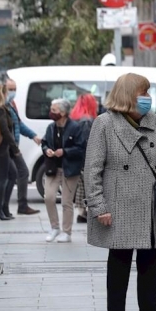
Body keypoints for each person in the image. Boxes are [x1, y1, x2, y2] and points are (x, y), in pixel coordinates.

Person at [84, 72, 156, 311]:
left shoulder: (154, 121)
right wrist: (99, 206)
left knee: (150, 271)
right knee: (118, 272)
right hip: (119, 208)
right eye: (143, 93)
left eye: (148, 93)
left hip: (150, 209)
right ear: (127, 95)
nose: (147, 98)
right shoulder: (104, 124)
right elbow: (92, 169)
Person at [41, 98, 85, 242]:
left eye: (54, 110)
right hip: (53, 168)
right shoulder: (51, 127)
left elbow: (81, 149)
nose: (51, 112)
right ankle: (54, 228)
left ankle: (67, 232)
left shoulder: (75, 127)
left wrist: (64, 151)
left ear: (63, 112)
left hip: (70, 170)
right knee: (49, 197)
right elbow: (44, 142)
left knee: (66, 201)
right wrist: (47, 150)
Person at [4, 78, 42, 215]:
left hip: (13, 147)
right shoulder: (0, 106)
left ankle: (15, 206)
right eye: (10, 89)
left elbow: (18, 125)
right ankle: (6, 207)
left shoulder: (11, 104)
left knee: (12, 175)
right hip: (6, 148)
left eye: (14, 89)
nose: (13, 92)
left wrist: (33, 136)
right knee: (14, 174)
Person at [70, 93, 99, 223]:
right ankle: (85, 213)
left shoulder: (75, 118)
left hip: (77, 158)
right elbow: (88, 142)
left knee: (82, 186)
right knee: (88, 185)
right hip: (86, 158)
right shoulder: (87, 120)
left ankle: (81, 213)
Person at [0, 84, 19, 220]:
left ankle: (3, 207)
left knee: (12, 174)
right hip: (1, 149)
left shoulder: (3, 109)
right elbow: (5, 130)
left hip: (4, 149)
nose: (9, 94)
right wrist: (15, 148)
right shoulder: (0, 110)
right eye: (7, 92)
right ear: (1, 94)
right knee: (2, 178)